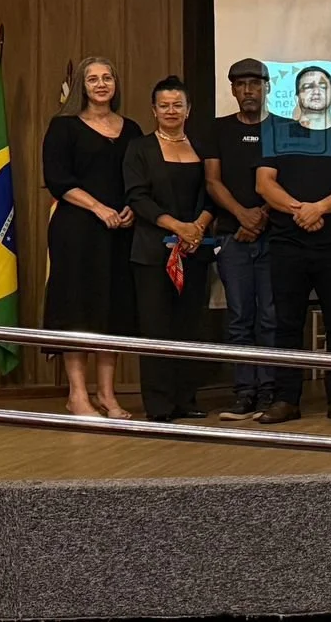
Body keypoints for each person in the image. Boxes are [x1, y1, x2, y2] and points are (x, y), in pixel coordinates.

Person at [255, 66, 331, 424]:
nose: (315, 91)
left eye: (322, 85)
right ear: (298, 95)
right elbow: (264, 184)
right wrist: (300, 210)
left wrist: (319, 208)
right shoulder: (277, 134)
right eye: (307, 86)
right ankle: (286, 399)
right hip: (288, 245)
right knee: (287, 324)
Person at [42, 56, 141, 419]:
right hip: (76, 229)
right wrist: (98, 208)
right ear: (82, 87)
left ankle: (108, 395)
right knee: (77, 308)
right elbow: (58, 180)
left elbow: (138, 177)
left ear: (116, 84)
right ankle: (78, 394)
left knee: (111, 309)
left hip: (119, 230)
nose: (101, 84)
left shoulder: (131, 129)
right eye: (93, 79)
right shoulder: (64, 126)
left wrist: (132, 207)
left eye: (107, 78)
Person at [123, 76, 214, 422]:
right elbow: (137, 197)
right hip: (152, 253)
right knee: (156, 327)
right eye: (164, 105)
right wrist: (177, 227)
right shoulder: (140, 148)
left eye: (178, 104)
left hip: (196, 250)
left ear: (188, 109)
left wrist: (198, 227)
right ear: (154, 110)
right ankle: (159, 405)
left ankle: (186, 398)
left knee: (190, 325)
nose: (171, 110)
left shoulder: (202, 147)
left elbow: (211, 192)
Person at [203, 58, 276, 422]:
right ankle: (244, 392)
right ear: (232, 89)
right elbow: (212, 181)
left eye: (256, 83)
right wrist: (242, 215)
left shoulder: (283, 128)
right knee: (239, 318)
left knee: (270, 317)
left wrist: (259, 215)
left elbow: (288, 179)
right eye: (241, 84)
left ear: (267, 87)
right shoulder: (217, 129)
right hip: (232, 236)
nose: (249, 90)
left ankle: (269, 391)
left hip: (273, 236)